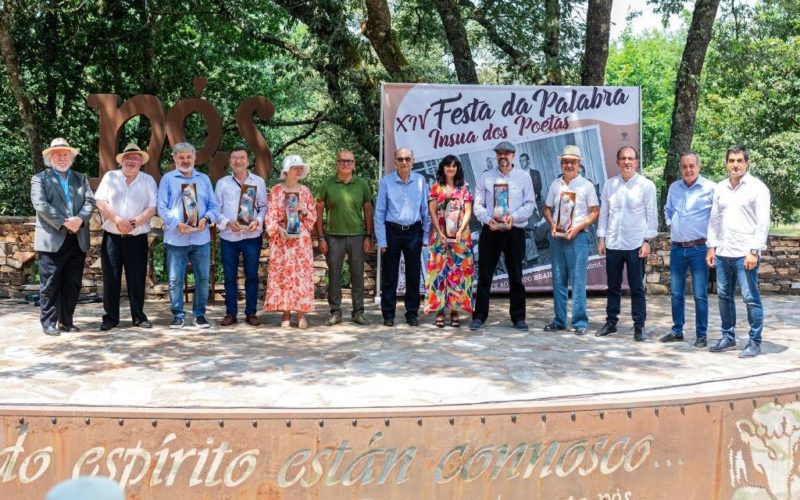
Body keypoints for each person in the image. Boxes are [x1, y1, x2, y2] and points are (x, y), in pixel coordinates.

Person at [706, 146, 770, 358]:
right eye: (731, 160)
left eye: (739, 160)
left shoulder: (757, 188)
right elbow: (714, 219)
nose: (735, 164)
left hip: (745, 254)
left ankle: (754, 341)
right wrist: (712, 247)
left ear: (746, 163)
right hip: (724, 252)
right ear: (726, 163)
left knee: (750, 298)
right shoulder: (720, 188)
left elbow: (762, 223)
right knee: (724, 296)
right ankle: (728, 337)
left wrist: (754, 250)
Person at [31, 138, 96, 336]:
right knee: (50, 283)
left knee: (72, 283)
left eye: (66, 154)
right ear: (50, 157)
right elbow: (40, 205)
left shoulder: (80, 178)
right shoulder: (39, 178)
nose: (62, 158)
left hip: (77, 237)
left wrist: (80, 220)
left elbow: (90, 201)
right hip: (52, 238)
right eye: (57, 154)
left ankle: (66, 321)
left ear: (71, 157)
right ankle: (48, 322)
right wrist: (65, 221)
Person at [469, 141, 535, 331]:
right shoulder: (485, 177)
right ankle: (479, 315)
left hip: (514, 230)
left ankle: (518, 317)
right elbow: (478, 204)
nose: (503, 156)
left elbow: (530, 204)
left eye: (507, 153)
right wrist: (487, 219)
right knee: (484, 276)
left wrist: (513, 218)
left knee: (516, 276)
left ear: (513, 156)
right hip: (490, 231)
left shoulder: (523, 177)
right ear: (496, 156)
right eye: (500, 153)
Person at [596, 146, 657, 341]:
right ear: (617, 162)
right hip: (613, 243)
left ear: (636, 162)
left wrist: (647, 241)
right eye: (623, 158)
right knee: (613, 286)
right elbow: (604, 214)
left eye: (631, 158)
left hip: (635, 244)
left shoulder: (646, 186)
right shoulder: (609, 185)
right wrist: (601, 238)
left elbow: (652, 216)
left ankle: (639, 326)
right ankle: (611, 322)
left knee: (636, 287)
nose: (627, 162)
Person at [94, 143, 158, 331]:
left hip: (137, 238)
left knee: (137, 278)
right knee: (111, 278)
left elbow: (152, 207)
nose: (131, 161)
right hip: (112, 237)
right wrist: (117, 220)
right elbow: (100, 202)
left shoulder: (148, 180)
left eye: (136, 158)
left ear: (141, 162)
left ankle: (138, 316)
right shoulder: (110, 177)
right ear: (122, 160)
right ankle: (110, 318)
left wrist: (133, 223)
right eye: (128, 158)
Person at [157, 142, 220, 329]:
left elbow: (214, 206)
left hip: (201, 238)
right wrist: (177, 224)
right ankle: (177, 315)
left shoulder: (204, 179)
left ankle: (200, 315)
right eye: (181, 157)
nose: (185, 161)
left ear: (194, 158)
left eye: (188, 157)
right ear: (174, 158)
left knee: (202, 279)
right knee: (175, 279)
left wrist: (206, 219)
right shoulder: (167, 179)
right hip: (176, 238)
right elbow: (161, 206)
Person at [659, 152, 715, 348]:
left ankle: (701, 334)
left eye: (692, 166)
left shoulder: (710, 188)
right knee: (676, 293)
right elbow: (667, 210)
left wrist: (713, 246)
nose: (688, 170)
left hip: (699, 248)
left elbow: (717, 217)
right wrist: (670, 224)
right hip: (677, 248)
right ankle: (677, 331)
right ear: (680, 168)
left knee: (700, 294)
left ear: (699, 167)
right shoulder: (675, 187)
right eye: (684, 166)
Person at [542, 145, 599, 335]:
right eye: (565, 162)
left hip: (578, 237)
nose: (568, 165)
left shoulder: (586, 185)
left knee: (578, 280)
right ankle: (559, 320)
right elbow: (547, 208)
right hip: (557, 237)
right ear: (561, 164)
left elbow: (594, 212)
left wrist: (577, 228)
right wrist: (551, 223)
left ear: (579, 164)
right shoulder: (555, 184)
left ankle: (580, 322)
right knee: (558, 279)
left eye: (572, 162)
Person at [315, 150, 373, 326]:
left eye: (349, 161)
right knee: (334, 276)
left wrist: (368, 235)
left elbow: (368, 211)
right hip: (333, 237)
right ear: (336, 163)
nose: (346, 164)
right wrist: (321, 237)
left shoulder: (362, 184)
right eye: (342, 161)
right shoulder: (327, 184)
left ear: (354, 164)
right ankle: (335, 312)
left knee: (357, 275)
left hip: (357, 236)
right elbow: (318, 212)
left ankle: (358, 312)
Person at [375, 147, 430, 327]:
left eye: (407, 158)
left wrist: (425, 238)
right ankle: (388, 315)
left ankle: (412, 313)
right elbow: (380, 213)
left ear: (413, 160)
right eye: (401, 159)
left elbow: (425, 212)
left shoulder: (421, 181)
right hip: (392, 231)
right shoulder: (386, 182)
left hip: (414, 231)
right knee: (390, 276)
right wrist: (382, 240)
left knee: (413, 275)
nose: (404, 162)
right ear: (395, 161)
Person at [215, 145, 268, 327]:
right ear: (230, 162)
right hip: (229, 236)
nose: (239, 161)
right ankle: (231, 313)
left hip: (251, 236)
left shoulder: (258, 182)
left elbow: (263, 207)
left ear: (248, 160)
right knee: (229, 276)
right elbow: (216, 210)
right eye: (235, 158)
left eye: (242, 157)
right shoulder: (222, 183)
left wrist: (258, 221)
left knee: (251, 275)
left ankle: (251, 313)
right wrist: (228, 222)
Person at [265, 155, 317, 328]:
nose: (299, 170)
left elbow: (313, 217)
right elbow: (270, 215)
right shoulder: (276, 191)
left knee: (301, 275)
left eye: (301, 168)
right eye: (296, 167)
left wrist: (304, 211)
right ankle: (286, 313)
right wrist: (278, 229)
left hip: (300, 240)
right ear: (287, 171)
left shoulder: (305, 191)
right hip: (282, 239)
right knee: (283, 275)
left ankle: (301, 313)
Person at [423, 155, 475, 328]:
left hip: (460, 238)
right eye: (448, 165)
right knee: (439, 273)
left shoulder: (464, 188)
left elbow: (468, 211)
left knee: (458, 273)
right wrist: (440, 232)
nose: (451, 168)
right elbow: (432, 212)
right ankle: (439, 311)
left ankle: (454, 311)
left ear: (457, 168)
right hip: (440, 238)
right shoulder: (435, 188)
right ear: (443, 168)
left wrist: (460, 231)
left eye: (454, 166)